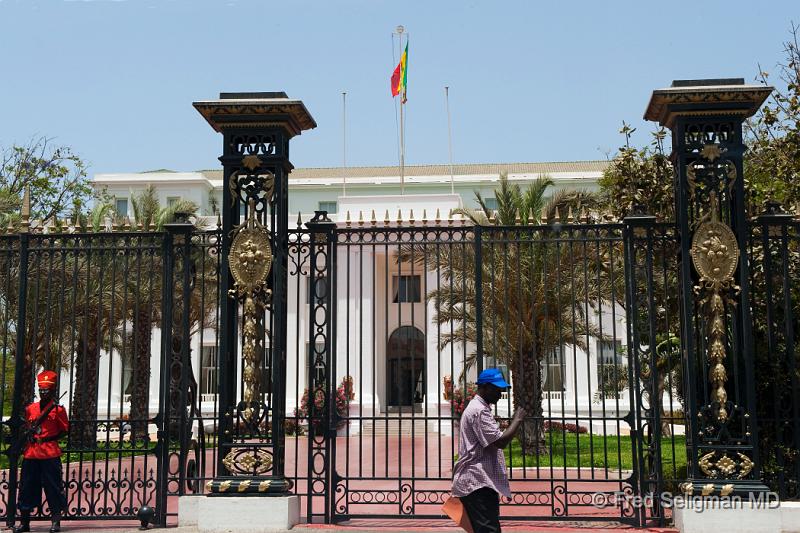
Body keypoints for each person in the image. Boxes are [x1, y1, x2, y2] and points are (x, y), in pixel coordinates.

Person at [451, 368, 526, 533]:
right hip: (476, 482)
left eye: (501, 389)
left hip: (479, 482)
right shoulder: (479, 411)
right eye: (496, 389)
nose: (500, 393)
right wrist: (517, 420)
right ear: (484, 387)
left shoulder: (479, 408)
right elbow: (500, 442)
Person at [12, 370, 69, 533]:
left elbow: (65, 429)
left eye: (47, 390)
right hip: (31, 452)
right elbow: (27, 426)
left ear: (52, 391)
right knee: (27, 486)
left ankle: (55, 522)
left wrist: (50, 437)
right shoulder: (31, 409)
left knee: (53, 486)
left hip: (50, 452)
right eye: (41, 390)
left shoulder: (58, 410)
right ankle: (24, 522)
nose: (43, 392)